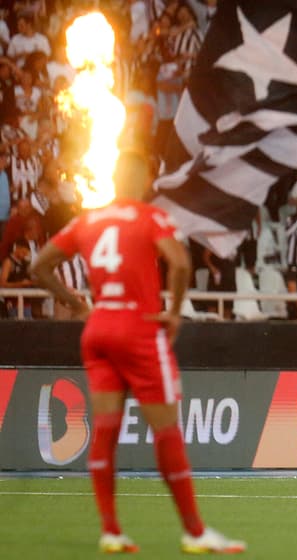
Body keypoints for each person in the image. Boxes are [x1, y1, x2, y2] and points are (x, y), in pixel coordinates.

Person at [28, 152, 245, 554]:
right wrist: (176, 314)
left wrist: (77, 305)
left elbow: (38, 266)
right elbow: (179, 264)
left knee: (106, 429)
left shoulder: (88, 220)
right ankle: (195, 532)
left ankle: (111, 529)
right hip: (138, 328)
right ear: (146, 177)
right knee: (166, 430)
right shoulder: (150, 216)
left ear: (112, 177)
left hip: (98, 329)